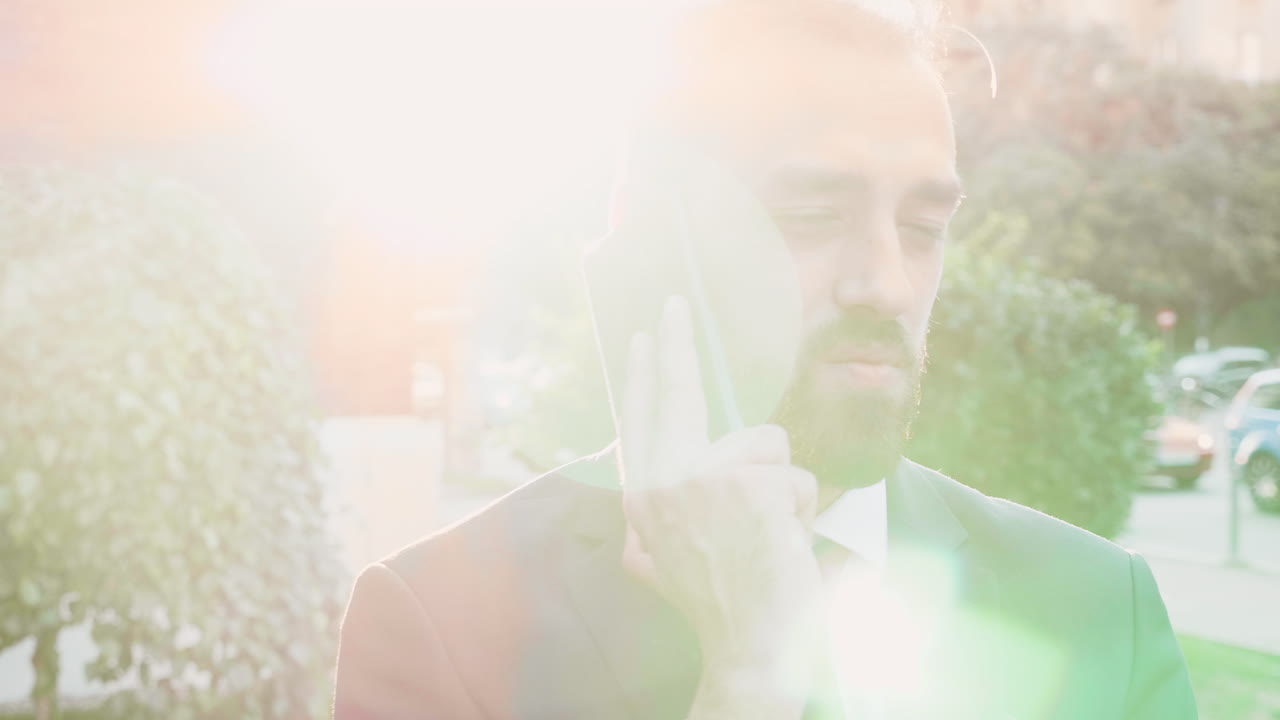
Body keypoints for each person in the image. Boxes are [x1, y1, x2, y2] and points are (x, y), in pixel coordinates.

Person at [332, 1, 1198, 718]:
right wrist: (749, 677)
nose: (886, 284)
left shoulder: (1098, 609)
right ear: (652, 235)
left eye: (922, 228)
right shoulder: (439, 626)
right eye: (814, 215)